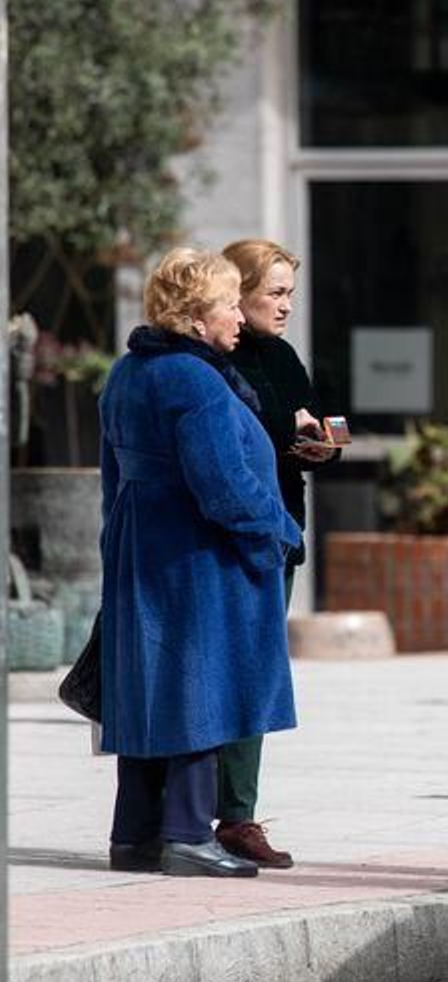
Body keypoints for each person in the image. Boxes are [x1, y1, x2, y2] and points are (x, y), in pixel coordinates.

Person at [98, 247, 301, 878]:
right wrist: (280, 531)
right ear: (194, 317)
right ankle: (187, 833)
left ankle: (135, 836)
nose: (239, 316)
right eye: (227, 305)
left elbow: (112, 477)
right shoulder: (195, 380)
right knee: (199, 686)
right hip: (200, 557)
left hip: (143, 546)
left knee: (148, 687)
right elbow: (225, 487)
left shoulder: (127, 372)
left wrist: (116, 544)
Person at [214, 238, 339, 869]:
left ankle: (238, 812)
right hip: (227, 537)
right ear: (236, 293)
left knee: (259, 672)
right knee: (224, 671)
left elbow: (307, 423)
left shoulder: (285, 356)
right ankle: (213, 812)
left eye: (291, 293)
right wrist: (282, 429)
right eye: (275, 293)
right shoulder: (213, 359)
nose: (286, 306)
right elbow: (227, 442)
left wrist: (319, 443)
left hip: (281, 528)